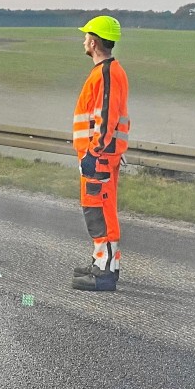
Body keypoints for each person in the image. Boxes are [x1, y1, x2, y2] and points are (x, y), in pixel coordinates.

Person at [71, 15, 131, 291]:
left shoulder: (106, 73)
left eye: (86, 36)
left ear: (94, 43)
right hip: (100, 155)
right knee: (99, 210)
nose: (84, 41)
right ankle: (104, 262)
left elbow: (105, 118)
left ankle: (104, 272)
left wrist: (94, 153)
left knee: (98, 212)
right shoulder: (107, 71)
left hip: (99, 157)